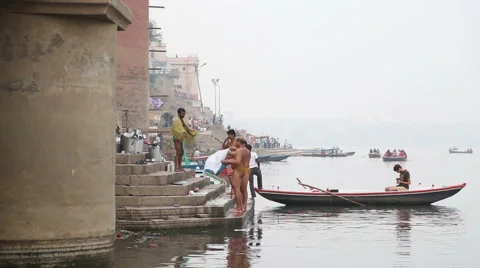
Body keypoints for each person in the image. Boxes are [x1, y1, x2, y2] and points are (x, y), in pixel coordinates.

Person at [221, 138, 250, 214]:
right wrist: (225, 151)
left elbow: (237, 161)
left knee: (236, 189)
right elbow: (233, 154)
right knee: (244, 189)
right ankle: (244, 205)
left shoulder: (240, 150)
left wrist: (226, 162)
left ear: (239, 142)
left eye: (236, 141)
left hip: (239, 169)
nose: (235, 142)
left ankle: (239, 207)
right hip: (246, 170)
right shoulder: (247, 151)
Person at [171, 108, 198, 172]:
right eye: (182, 113)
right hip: (176, 138)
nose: (183, 115)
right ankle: (176, 168)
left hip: (180, 139)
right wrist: (183, 132)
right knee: (178, 152)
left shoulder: (181, 121)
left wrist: (191, 132)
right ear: (179, 113)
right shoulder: (176, 121)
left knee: (181, 153)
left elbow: (185, 128)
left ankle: (179, 167)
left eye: (184, 113)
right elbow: (175, 129)